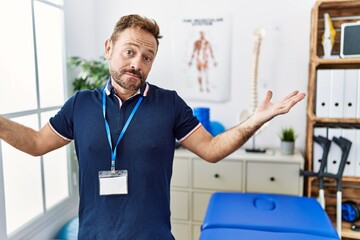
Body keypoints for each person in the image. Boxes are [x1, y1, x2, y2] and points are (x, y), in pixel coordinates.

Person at [0, 14, 306, 239]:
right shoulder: (80, 104)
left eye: (147, 57)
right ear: (109, 48)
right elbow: (37, 143)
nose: (137, 63)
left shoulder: (169, 104)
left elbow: (212, 150)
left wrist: (254, 120)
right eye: (129, 51)